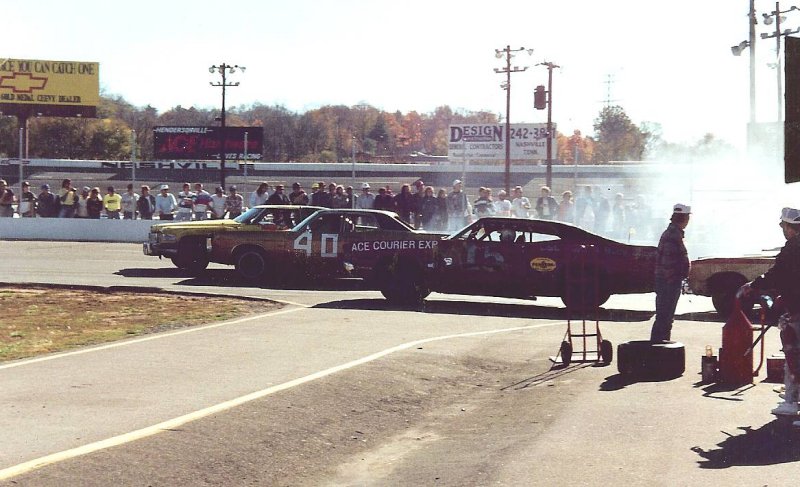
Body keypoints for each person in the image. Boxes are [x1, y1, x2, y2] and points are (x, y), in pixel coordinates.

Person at [739, 207, 800, 417]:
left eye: (783, 225)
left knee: (794, 354)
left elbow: (777, 274)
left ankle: (793, 402)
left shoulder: (793, 247)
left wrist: (753, 286)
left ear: (788, 227)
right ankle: (792, 397)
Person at [649, 204, 691, 343]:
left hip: (667, 282)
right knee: (664, 318)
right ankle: (659, 348)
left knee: (664, 318)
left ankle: (660, 347)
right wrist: (673, 280)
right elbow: (668, 262)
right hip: (668, 283)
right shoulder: (673, 235)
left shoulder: (673, 233)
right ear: (683, 218)